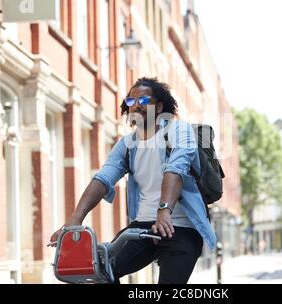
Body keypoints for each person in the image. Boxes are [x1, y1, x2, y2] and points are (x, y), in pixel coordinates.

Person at [49, 77, 216, 284]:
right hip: (143, 226)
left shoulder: (178, 131)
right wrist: (74, 220)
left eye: (144, 101)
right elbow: (103, 179)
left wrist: (164, 211)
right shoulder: (127, 144)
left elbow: (176, 169)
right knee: (101, 271)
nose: (136, 105)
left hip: (181, 227)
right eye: (131, 101)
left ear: (160, 106)